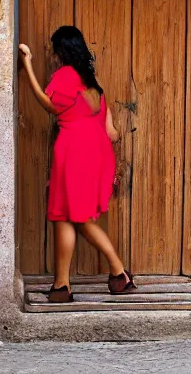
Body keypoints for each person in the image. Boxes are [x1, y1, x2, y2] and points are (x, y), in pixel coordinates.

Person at [19, 25, 136, 303]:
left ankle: (119, 272)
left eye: (53, 48)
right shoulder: (94, 86)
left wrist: (28, 66)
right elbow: (112, 134)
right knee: (64, 214)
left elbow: (49, 104)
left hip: (74, 151)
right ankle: (61, 286)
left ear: (61, 50)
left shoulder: (65, 76)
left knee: (79, 217)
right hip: (96, 152)